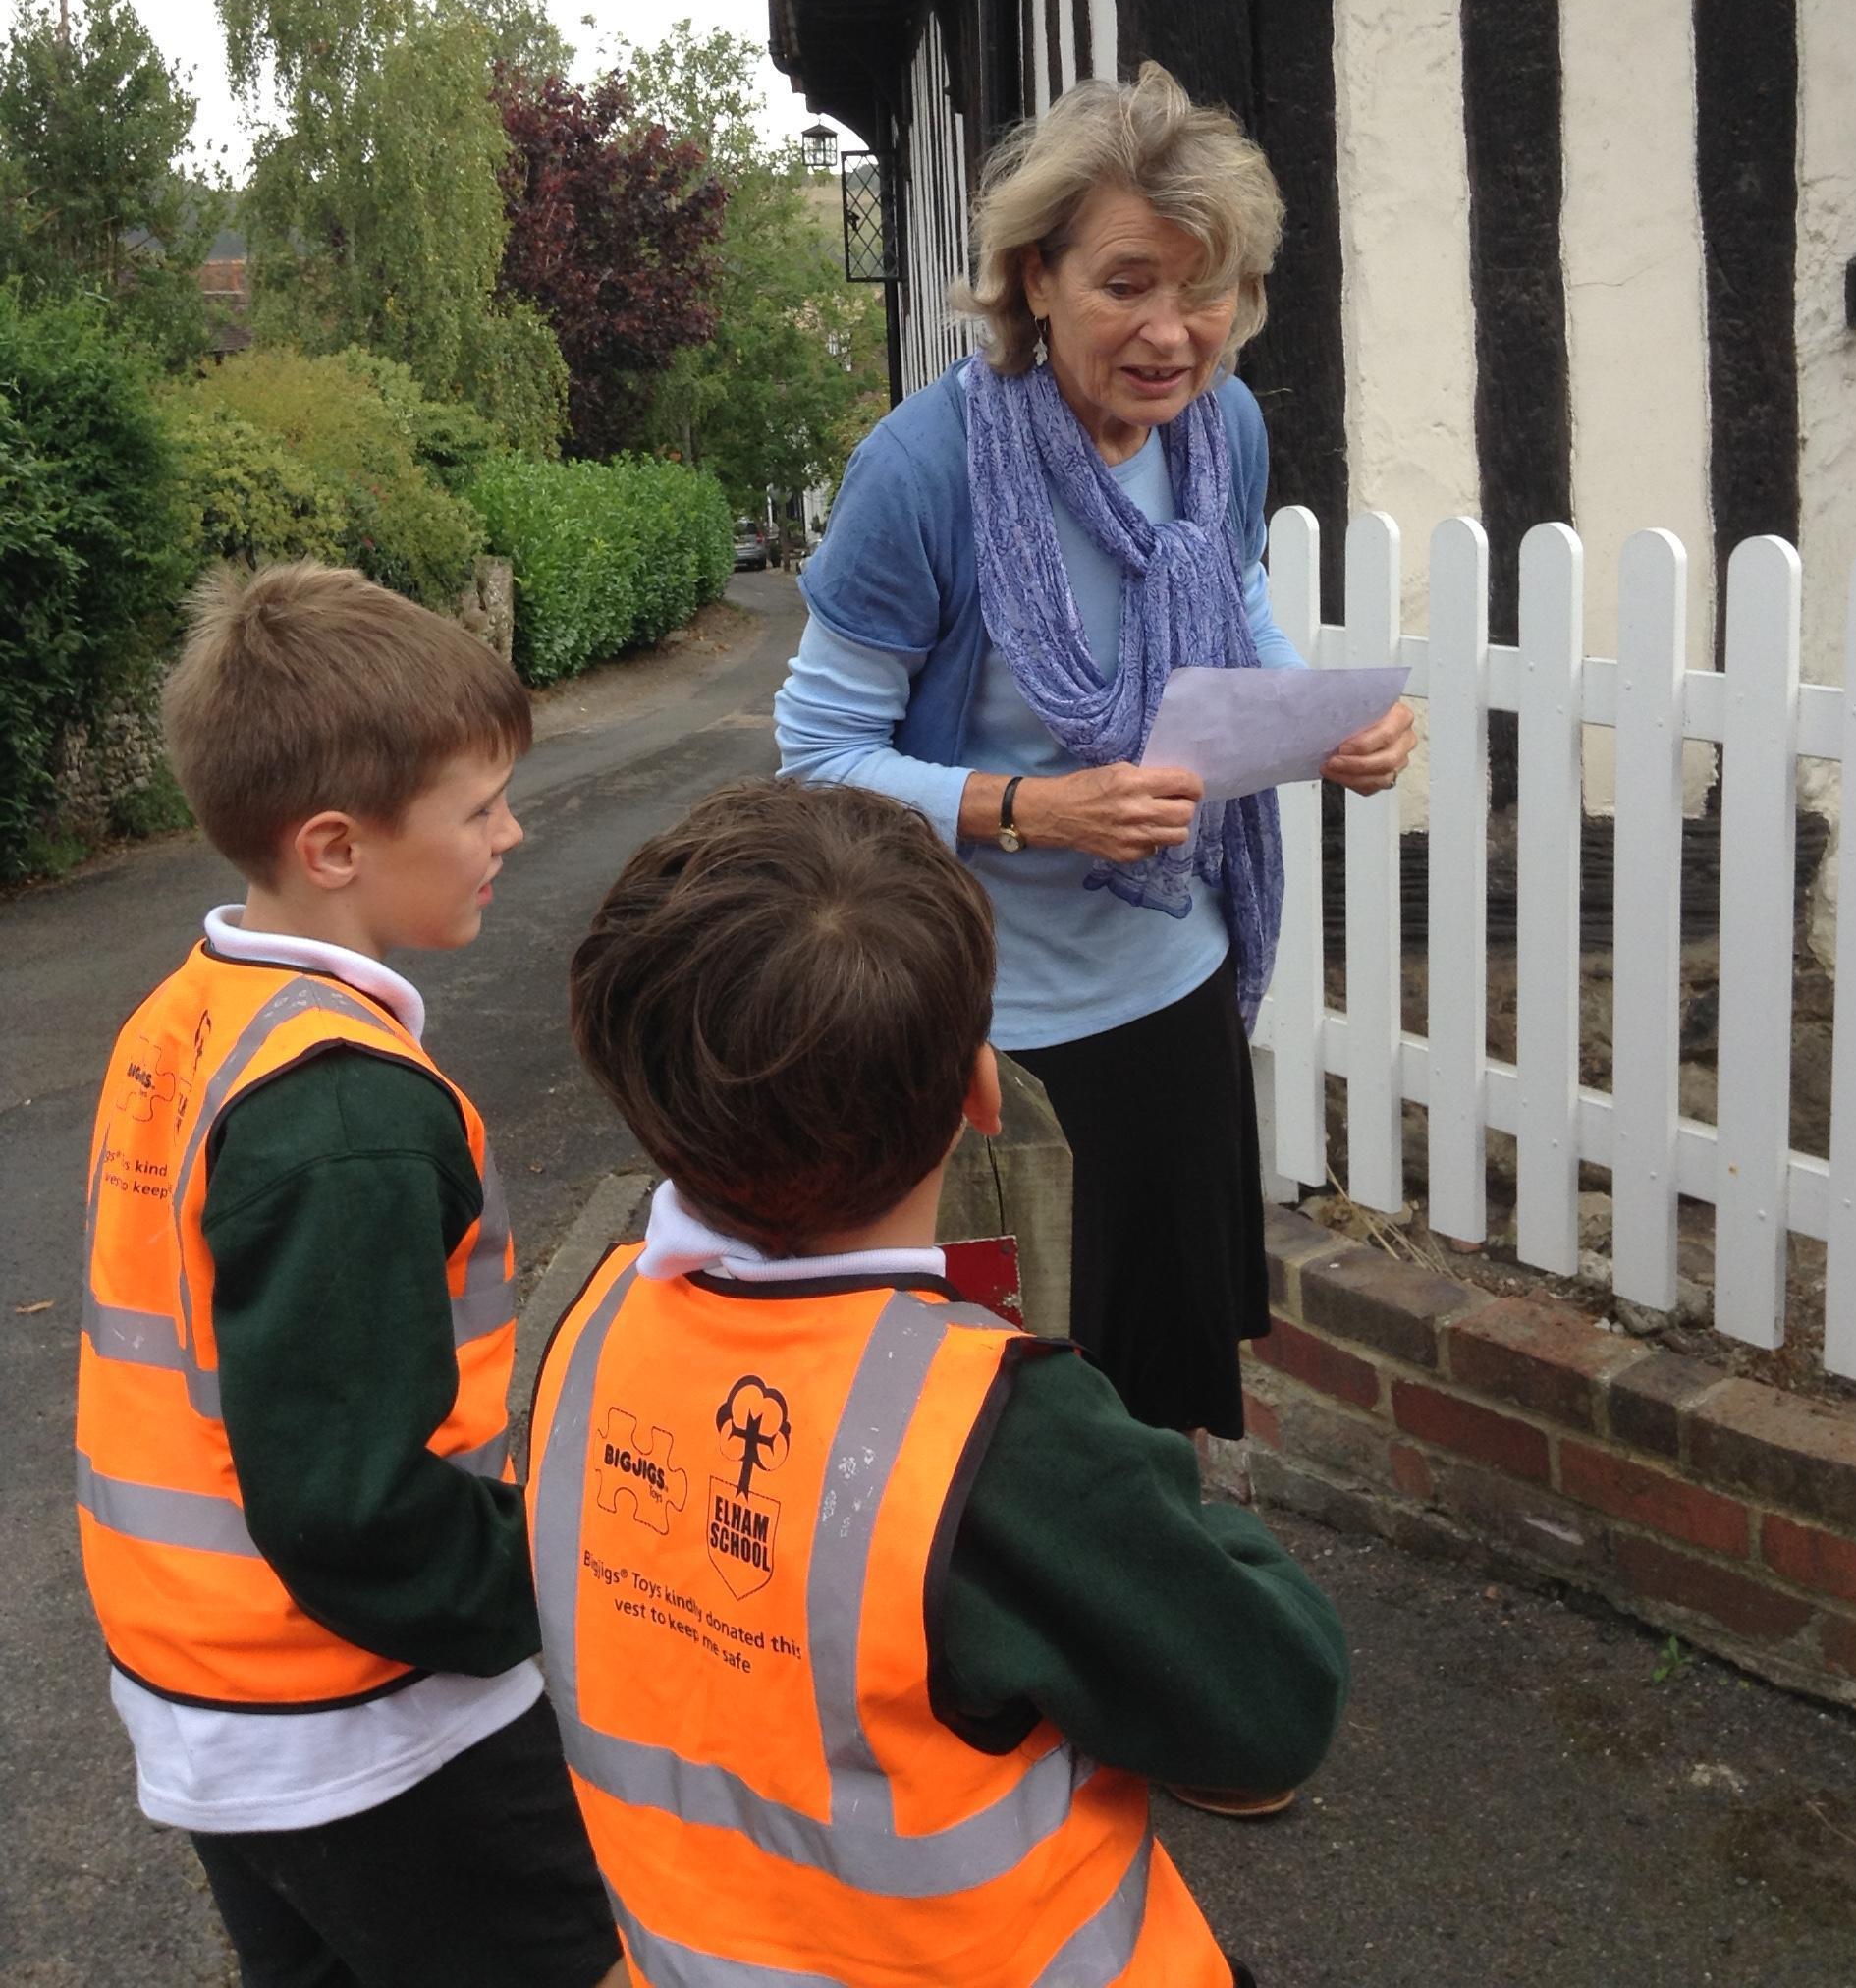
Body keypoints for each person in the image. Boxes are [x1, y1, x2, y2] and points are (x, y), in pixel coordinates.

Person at [530, 779, 1348, 1986]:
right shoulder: (1008, 1436)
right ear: (982, 1092)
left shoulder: (591, 1330)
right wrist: (1175, 1513)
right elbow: (1271, 1706)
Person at [776, 63, 1414, 1441]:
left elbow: (1233, 604)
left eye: (1208, 287)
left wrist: (1321, 717)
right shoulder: (923, 472)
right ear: (1036, 278)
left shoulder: (1219, 428)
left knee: (1162, 1399)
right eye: (1127, 283)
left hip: (1179, 988)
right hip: (992, 1036)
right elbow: (816, 755)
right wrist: (1035, 809)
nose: (1173, 333)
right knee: (1008, 1424)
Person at [75, 563, 624, 1988]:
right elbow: (350, 1505)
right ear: (333, 846)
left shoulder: (191, 1015)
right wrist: (559, 1595)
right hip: (370, 1724)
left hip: (211, 1701)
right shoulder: (345, 1113)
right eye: (478, 808)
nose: (510, 833)